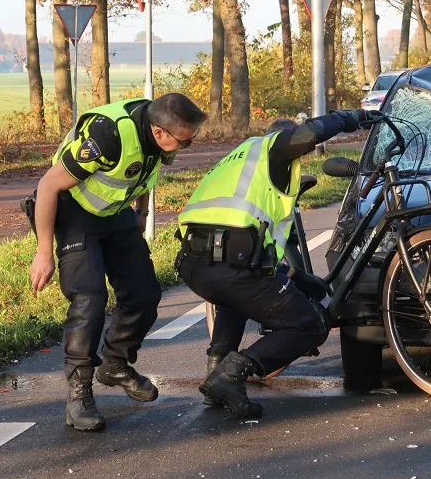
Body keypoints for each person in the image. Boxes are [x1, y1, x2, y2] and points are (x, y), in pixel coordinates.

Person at [29, 94, 207, 431]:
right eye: (185, 140)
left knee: (144, 294)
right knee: (90, 298)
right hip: (74, 210)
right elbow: (48, 185)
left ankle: (115, 363)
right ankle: (79, 393)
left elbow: (144, 171)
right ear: (159, 132)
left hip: (115, 212)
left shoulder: (159, 134)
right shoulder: (107, 135)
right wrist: (43, 252)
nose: (189, 144)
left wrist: (141, 213)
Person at [174, 109, 368, 418]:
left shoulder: (240, 156)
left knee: (234, 299)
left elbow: (257, 250)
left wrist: (297, 277)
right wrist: (351, 118)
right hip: (229, 264)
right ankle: (231, 374)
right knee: (311, 324)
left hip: (195, 263)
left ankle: (215, 378)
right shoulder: (274, 150)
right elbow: (309, 133)